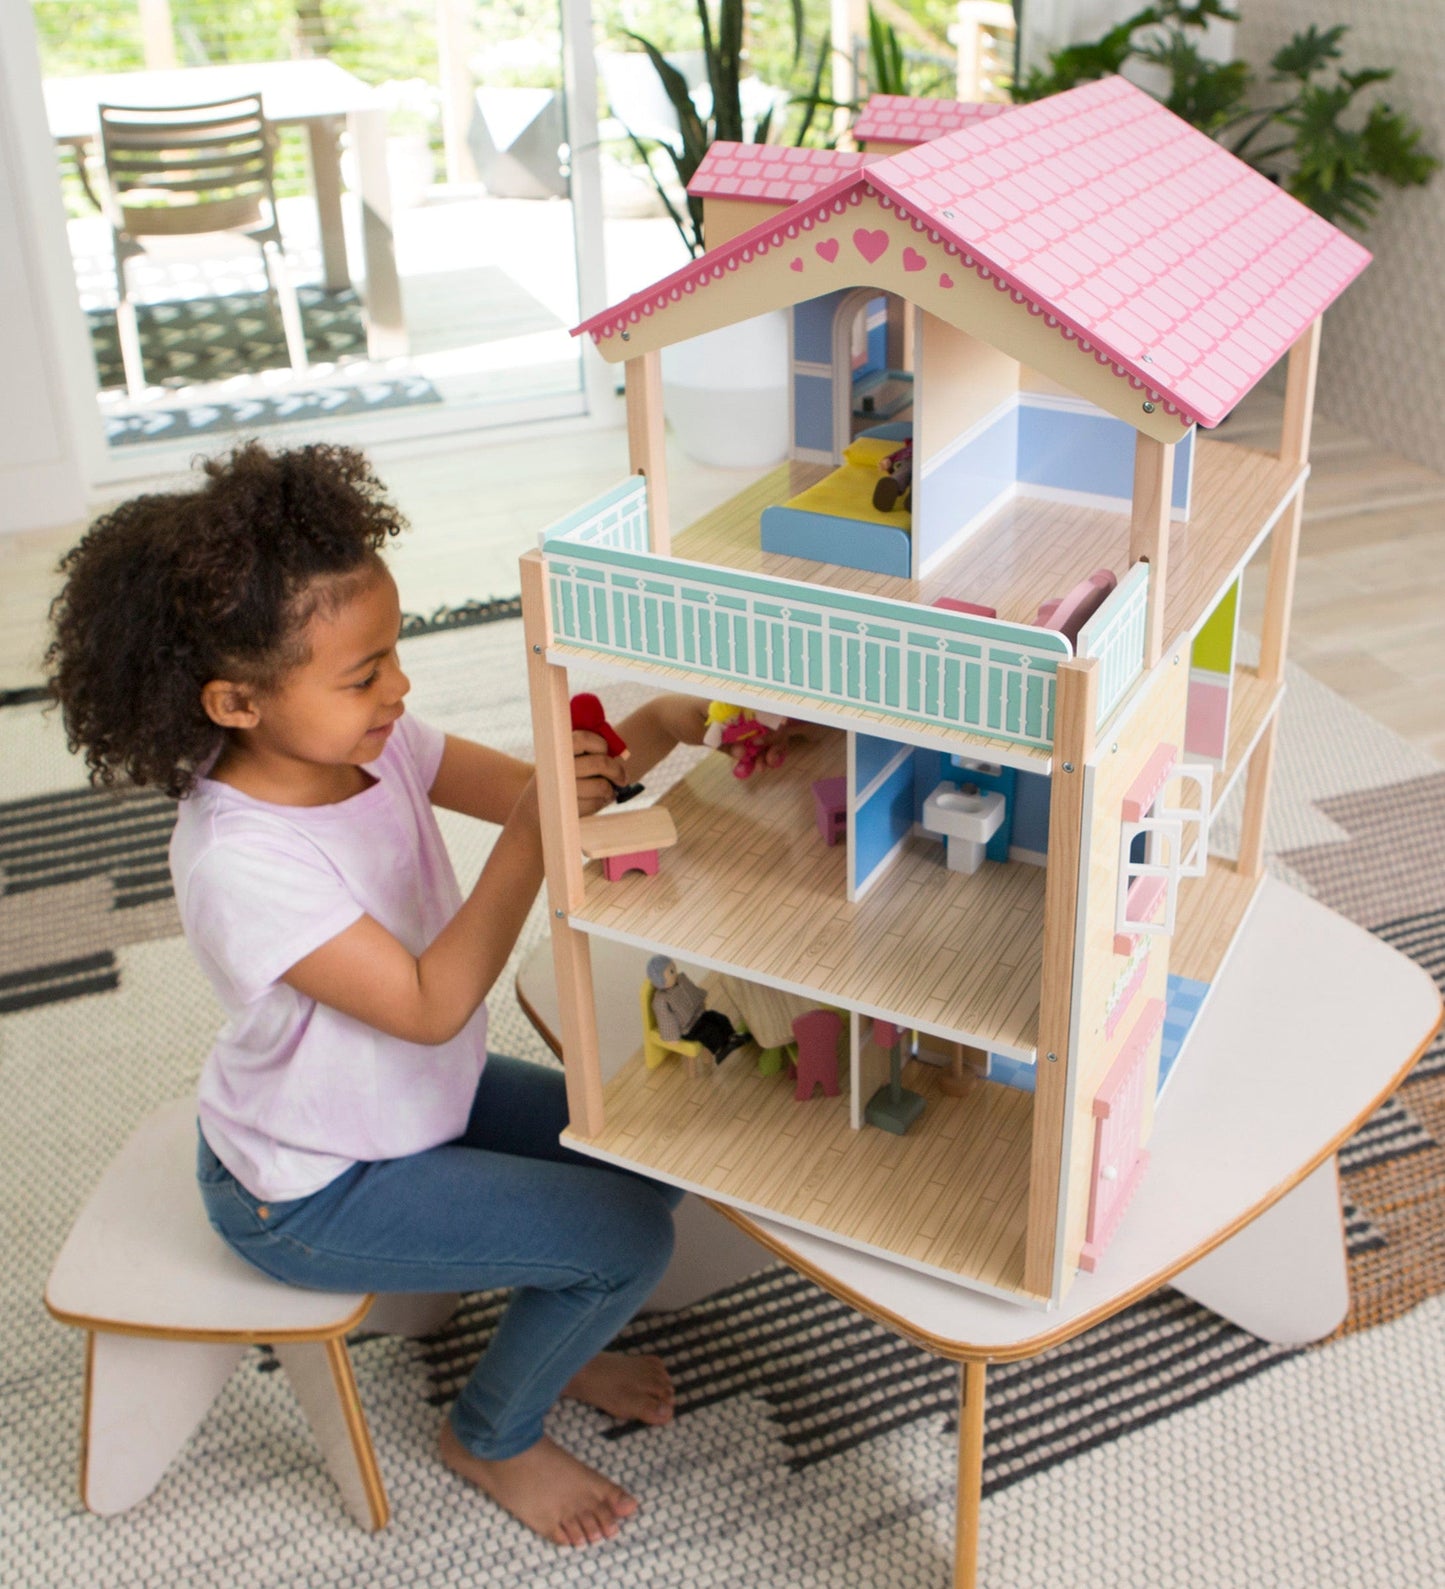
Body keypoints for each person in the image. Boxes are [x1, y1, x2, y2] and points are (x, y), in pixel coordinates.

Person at [44, 441, 746, 1549]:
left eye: (395, 652)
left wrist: (648, 729)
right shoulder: (241, 859)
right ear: (233, 700)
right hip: (312, 1188)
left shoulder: (379, 746)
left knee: (643, 1157)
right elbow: (430, 998)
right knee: (626, 1241)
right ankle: (489, 1431)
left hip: (415, 1100)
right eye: (362, 672)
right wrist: (531, 833)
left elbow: (533, 795)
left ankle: (549, 1337)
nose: (400, 686)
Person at [645, 956, 748, 1063]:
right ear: (660, 980)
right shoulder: (661, 1000)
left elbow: (692, 992)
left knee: (718, 1018)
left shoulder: (681, 980)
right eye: (671, 972)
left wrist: (700, 1002)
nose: (675, 973)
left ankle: (732, 1036)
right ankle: (720, 1049)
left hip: (698, 1015)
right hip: (688, 1028)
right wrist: (672, 1037)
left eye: (674, 969)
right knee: (708, 1031)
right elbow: (666, 1019)